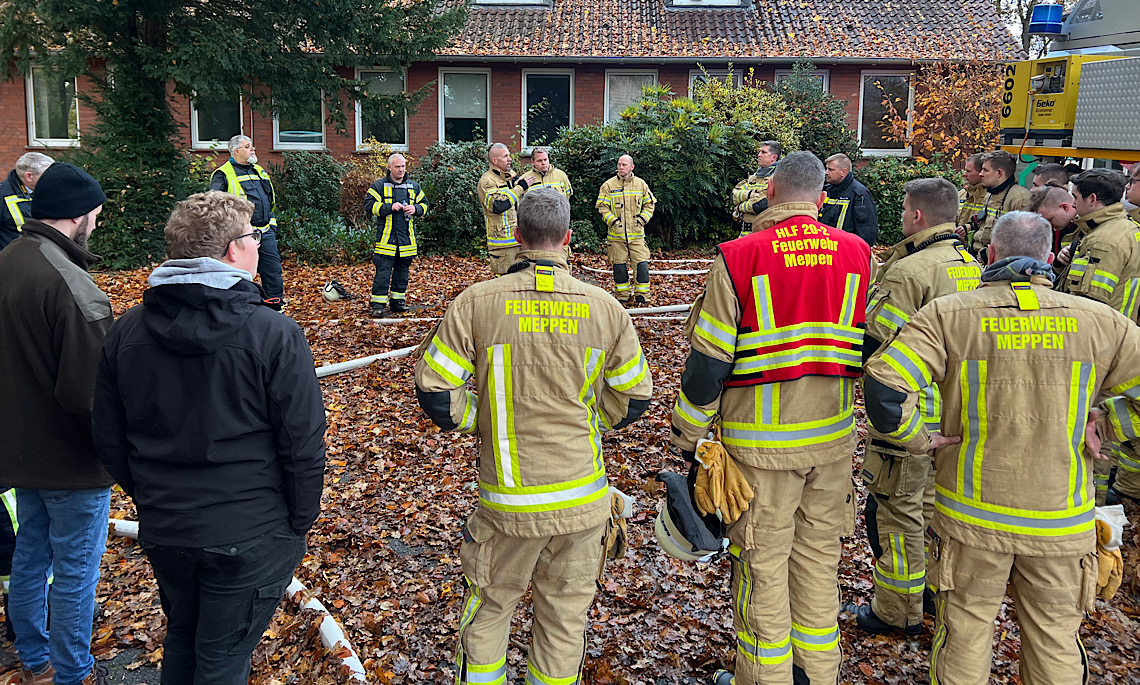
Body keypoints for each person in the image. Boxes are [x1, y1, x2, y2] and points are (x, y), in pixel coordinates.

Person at [863, 210, 1140, 685]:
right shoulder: (1103, 323)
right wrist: (1110, 422)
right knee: (1055, 642)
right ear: (1051, 256)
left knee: (966, 634)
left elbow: (885, 390)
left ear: (989, 253)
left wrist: (920, 441)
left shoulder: (950, 316)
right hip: (1061, 520)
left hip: (973, 517)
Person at [415, 187, 652, 685]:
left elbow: (436, 392)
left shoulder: (477, 303)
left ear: (517, 236)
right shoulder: (606, 309)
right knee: (565, 620)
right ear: (568, 238)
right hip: (582, 501)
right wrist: (590, 420)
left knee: (490, 609)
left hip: (507, 503)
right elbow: (633, 397)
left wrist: (483, 417)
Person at [92, 190, 326, 685]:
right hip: (250, 532)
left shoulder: (126, 331)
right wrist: (297, 522)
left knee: (185, 639)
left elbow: (110, 438)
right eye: (255, 235)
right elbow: (303, 441)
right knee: (220, 659)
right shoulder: (274, 335)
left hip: (170, 527)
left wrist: (158, 496)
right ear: (231, 250)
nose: (261, 243)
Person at [671, 152, 873, 685]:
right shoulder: (858, 253)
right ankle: (818, 673)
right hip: (831, 443)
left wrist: (687, 435)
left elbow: (709, 362)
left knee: (761, 566)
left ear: (771, 191)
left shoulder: (740, 256)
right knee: (816, 564)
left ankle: (764, 678)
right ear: (821, 198)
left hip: (761, 449)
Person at [851, 178, 981, 637]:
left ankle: (896, 610)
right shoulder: (970, 264)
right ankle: (926, 593)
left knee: (894, 514)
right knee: (927, 511)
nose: (902, 215)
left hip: (909, 414)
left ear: (917, 216)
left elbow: (878, 341)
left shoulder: (910, 271)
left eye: (905, 208)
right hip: (953, 413)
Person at [0, 163, 113, 685]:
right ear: (79, 214)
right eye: (96, 213)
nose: (98, 222)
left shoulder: (7, 261)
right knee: (73, 571)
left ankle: (35, 663)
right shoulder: (72, 285)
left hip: (18, 453)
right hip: (70, 462)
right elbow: (91, 393)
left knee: (29, 555)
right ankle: (73, 673)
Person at [1051, 169, 1140, 507]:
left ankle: (1093, 502)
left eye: (1074, 199)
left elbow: (1088, 306)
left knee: (1089, 426)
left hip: (1098, 349)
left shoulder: (1105, 240)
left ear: (1091, 200)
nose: (1071, 206)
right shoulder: (1123, 229)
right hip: (1121, 341)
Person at [209, 135, 285, 310]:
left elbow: (268, 201)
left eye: (251, 146)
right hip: (240, 236)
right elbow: (214, 206)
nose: (253, 149)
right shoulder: (223, 174)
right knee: (238, 275)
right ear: (236, 151)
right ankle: (237, 310)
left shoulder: (259, 170)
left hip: (265, 232)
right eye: (247, 147)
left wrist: (271, 225)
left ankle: (276, 310)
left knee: (273, 273)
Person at [364, 153, 427, 316]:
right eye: (397, 167)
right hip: (386, 239)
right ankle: (378, 306)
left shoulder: (414, 186)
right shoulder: (379, 186)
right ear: (389, 167)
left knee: (402, 273)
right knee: (383, 273)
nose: (401, 170)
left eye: (403, 166)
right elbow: (369, 206)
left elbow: (425, 204)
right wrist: (388, 207)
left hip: (406, 240)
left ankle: (398, 302)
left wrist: (416, 209)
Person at [596, 155, 656, 304]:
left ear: (632, 167)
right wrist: (614, 222)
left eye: (624, 165)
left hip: (636, 236)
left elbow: (650, 204)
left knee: (641, 266)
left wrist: (642, 220)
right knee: (619, 268)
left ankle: (642, 297)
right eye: (619, 164)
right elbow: (602, 207)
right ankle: (622, 297)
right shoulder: (608, 185)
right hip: (616, 237)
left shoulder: (641, 185)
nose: (621, 167)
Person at [969, 150, 1030, 262]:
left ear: (999, 173)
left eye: (985, 170)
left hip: (996, 261)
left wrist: (987, 255)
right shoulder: (990, 194)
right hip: (977, 256)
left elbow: (1021, 240)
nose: (980, 174)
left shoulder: (1020, 198)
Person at [516, 147, 574, 264]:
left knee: (560, 263)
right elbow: (520, 206)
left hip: (557, 226)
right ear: (532, 162)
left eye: (545, 159)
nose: (544, 163)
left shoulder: (561, 176)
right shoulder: (525, 179)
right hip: (535, 228)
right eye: (539, 161)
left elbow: (567, 198)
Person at [478, 143, 525, 276]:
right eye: (505, 156)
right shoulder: (487, 181)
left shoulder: (509, 176)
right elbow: (498, 206)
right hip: (502, 245)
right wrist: (519, 188)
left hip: (519, 240)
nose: (510, 159)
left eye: (509, 155)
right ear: (495, 160)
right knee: (505, 284)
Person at [820, 153, 878, 246]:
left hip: (846, 252)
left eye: (830, 169)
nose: (826, 172)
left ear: (843, 172)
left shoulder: (859, 194)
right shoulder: (826, 191)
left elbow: (867, 232)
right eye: (826, 169)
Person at [0, 152, 53, 252]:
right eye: (46, 176)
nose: (51, 180)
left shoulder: (44, 191)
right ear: (29, 176)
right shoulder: (2, 196)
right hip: (11, 262)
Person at [731, 140, 782, 236]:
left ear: (774, 157)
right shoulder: (753, 177)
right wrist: (752, 194)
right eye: (759, 152)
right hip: (744, 233)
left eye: (764, 152)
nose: (759, 155)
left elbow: (761, 205)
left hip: (764, 233)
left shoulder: (777, 178)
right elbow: (733, 196)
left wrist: (739, 207)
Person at [1027, 184, 1078, 264]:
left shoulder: (1087, 227)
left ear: (1064, 207)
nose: (1049, 225)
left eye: (1050, 219)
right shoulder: (1061, 227)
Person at [955, 153, 987, 231]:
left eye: (968, 171)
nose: (964, 174)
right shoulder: (961, 194)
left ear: (981, 173)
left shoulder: (990, 197)